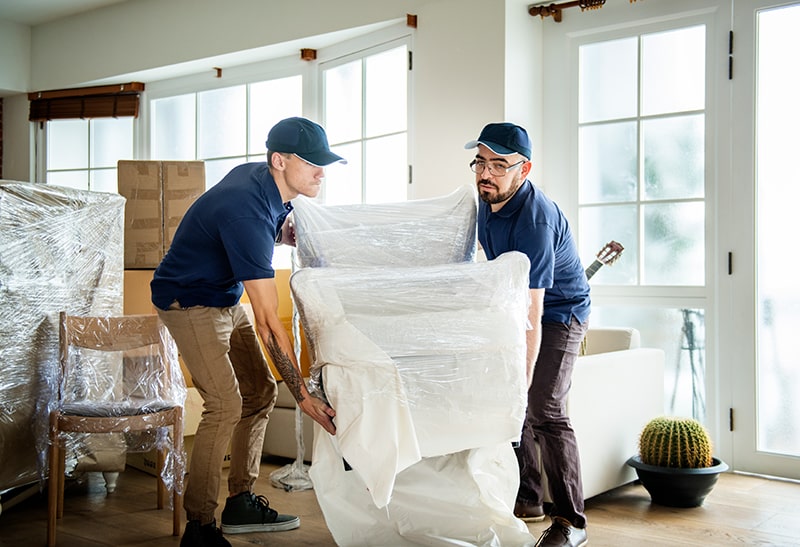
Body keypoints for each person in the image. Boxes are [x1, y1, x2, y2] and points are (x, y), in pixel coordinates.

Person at [151, 117, 341, 547]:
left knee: (260, 392)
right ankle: (199, 527)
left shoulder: (264, 182)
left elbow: (261, 224)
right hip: (188, 301)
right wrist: (306, 397)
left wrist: (282, 232)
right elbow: (270, 324)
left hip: (222, 295)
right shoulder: (245, 209)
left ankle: (240, 501)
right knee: (224, 403)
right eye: (312, 163)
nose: (321, 172)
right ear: (279, 161)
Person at [465, 122, 591, 547]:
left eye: (499, 164)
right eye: (481, 162)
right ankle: (529, 497)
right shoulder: (487, 200)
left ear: (525, 169)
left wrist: (521, 375)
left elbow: (534, 312)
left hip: (560, 312)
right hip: (514, 306)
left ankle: (572, 523)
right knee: (512, 401)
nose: (486, 173)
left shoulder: (535, 220)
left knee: (544, 408)